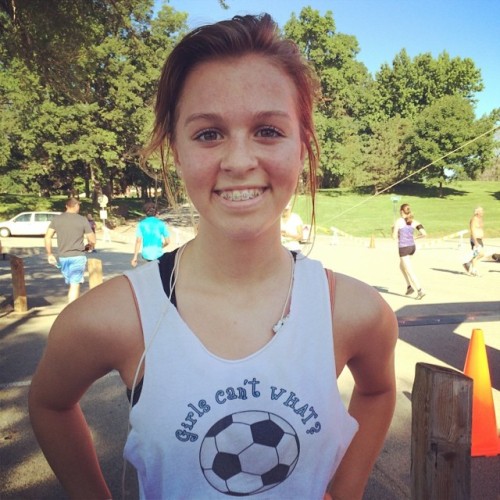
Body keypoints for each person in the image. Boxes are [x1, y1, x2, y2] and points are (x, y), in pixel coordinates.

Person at [29, 15, 397, 499]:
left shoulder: (354, 312)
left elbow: (377, 392)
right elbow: (49, 404)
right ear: (176, 151)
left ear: (302, 148)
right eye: (208, 134)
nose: (240, 161)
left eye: (268, 130)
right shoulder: (113, 317)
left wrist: (346, 488)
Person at [44, 197, 96, 303]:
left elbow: (47, 237)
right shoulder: (82, 220)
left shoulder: (57, 219)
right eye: (78, 205)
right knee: (74, 284)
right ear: (76, 206)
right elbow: (92, 239)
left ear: (66, 206)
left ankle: (71, 307)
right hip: (77, 256)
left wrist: (49, 254)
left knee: (72, 282)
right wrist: (89, 246)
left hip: (63, 257)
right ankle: (71, 309)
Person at [392, 203, 427, 299]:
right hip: (412, 247)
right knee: (401, 266)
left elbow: (393, 237)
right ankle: (409, 286)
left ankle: (420, 290)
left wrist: (394, 229)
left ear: (401, 211)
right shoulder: (414, 221)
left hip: (404, 248)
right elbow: (424, 233)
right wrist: (415, 238)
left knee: (409, 270)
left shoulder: (399, 221)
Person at [131, 201, 170, 267]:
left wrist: (135, 257)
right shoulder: (161, 223)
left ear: (145, 213)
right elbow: (167, 241)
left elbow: (138, 241)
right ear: (156, 212)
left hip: (146, 254)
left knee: (147, 272)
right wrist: (161, 246)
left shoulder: (142, 224)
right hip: (158, 254)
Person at [463, 206, 484, 276]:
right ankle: (474, 270)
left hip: (480, 239)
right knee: (476, 254)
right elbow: (472, 230)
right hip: (475, 239)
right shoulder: (474, 219)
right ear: (477, 212)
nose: (483, 212)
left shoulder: (480, 219)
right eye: (481, 211)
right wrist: (475, 241)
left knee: (481, 254)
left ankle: (468, 263)